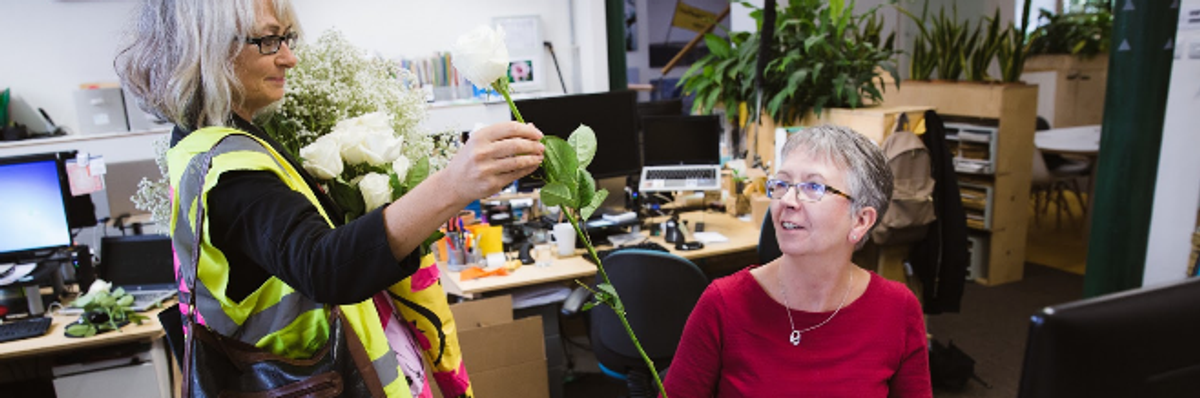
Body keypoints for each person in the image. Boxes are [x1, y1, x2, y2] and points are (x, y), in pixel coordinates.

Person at [115, 1, 544, 397]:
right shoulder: (230, 169)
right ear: (203, 49)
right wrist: (454, 185)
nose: (289, 57)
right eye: (268, 41)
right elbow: (324, 266)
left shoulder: (208, 145)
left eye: (287, 39)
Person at [663, 125, 932, 397]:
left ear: (861, 221)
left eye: (813, 187)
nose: (788, 200)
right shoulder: (723, 303)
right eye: (782, 184)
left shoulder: (898, 309)